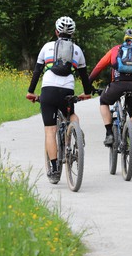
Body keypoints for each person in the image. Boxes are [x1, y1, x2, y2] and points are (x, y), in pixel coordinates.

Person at [26, 16, 93, 183]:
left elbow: (37, 71)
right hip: (67, 91)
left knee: (50, 131)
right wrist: (87, 93)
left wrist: (30, 92)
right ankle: (76, 132)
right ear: (73, 33)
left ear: (56, 32)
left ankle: (55, 170)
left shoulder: (47, 47)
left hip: (48, 90)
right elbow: (84, 76)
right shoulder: (77, 50)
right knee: (71, 115)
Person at [88, 28, 132, 160]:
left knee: (104, 101)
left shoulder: (115, 50)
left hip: (117, 85)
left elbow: (99, 67)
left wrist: (88, 84)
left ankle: (109, 134)